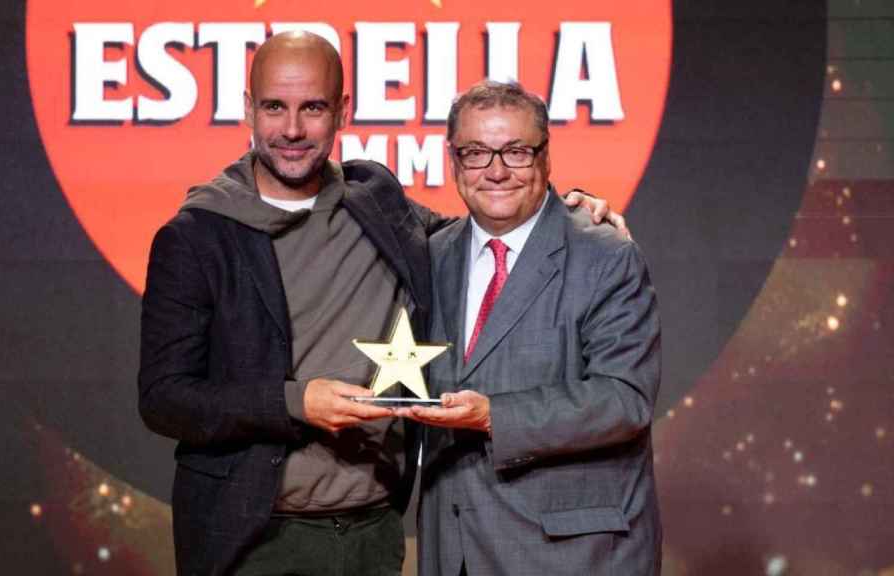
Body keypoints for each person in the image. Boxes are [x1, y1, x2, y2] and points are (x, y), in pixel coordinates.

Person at [138, 31, 619, 576]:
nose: (292, 129)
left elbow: (485, 234)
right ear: (248, 108)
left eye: (312, 107)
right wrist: (294, 403)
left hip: (373, 533)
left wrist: (570, 212)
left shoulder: (376, 200)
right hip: (254, 538)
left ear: (344, 110)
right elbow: (164, 399)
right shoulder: (198, 235)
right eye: (275, 106)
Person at [399, 81, 661, 576]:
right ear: (454, 161)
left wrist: (493, 415)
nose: (496, 171)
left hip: (571, 556)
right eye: (476, 153)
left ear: (545, 156)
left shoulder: (606, 254)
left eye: (516, 152)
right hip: (453, 550)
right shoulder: (431, 255)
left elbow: (625, 400)